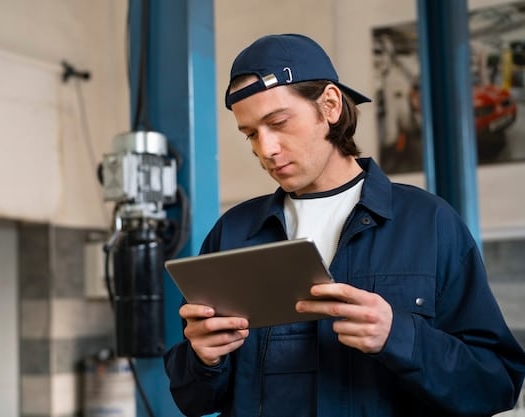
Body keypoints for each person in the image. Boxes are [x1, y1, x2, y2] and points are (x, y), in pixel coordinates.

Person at [163, 33, 525, 417]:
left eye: (278, 122)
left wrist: (397, 335)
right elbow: (193, 399)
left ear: (331, 105)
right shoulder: (233, 234)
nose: (265, 149)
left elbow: (496, 384)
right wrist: (203, 359)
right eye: (251, 133)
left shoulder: (429, 223)